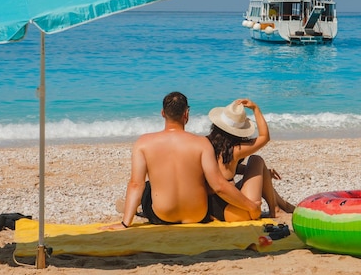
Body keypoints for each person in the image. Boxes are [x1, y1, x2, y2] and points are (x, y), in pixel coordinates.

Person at [106, 92, 261, 230]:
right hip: (198, 215)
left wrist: (125, 224)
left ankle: (130, 210)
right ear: (186, 114)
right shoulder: (202, 143)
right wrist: (251, 206)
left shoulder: (143, 143)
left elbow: (135, 184)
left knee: (148, 186)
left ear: (162, 113)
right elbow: (218, 185)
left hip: (162, 216)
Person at [207, 99, 295, 219]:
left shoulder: (207, 144)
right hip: (231, 210)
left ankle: (282, 206)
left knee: (260, 169)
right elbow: (264, 137)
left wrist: (263, 174)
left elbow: (226, 170)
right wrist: (255, 109)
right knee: (256, 160)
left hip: (211, 208)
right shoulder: (235, 150)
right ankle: (276, 209)